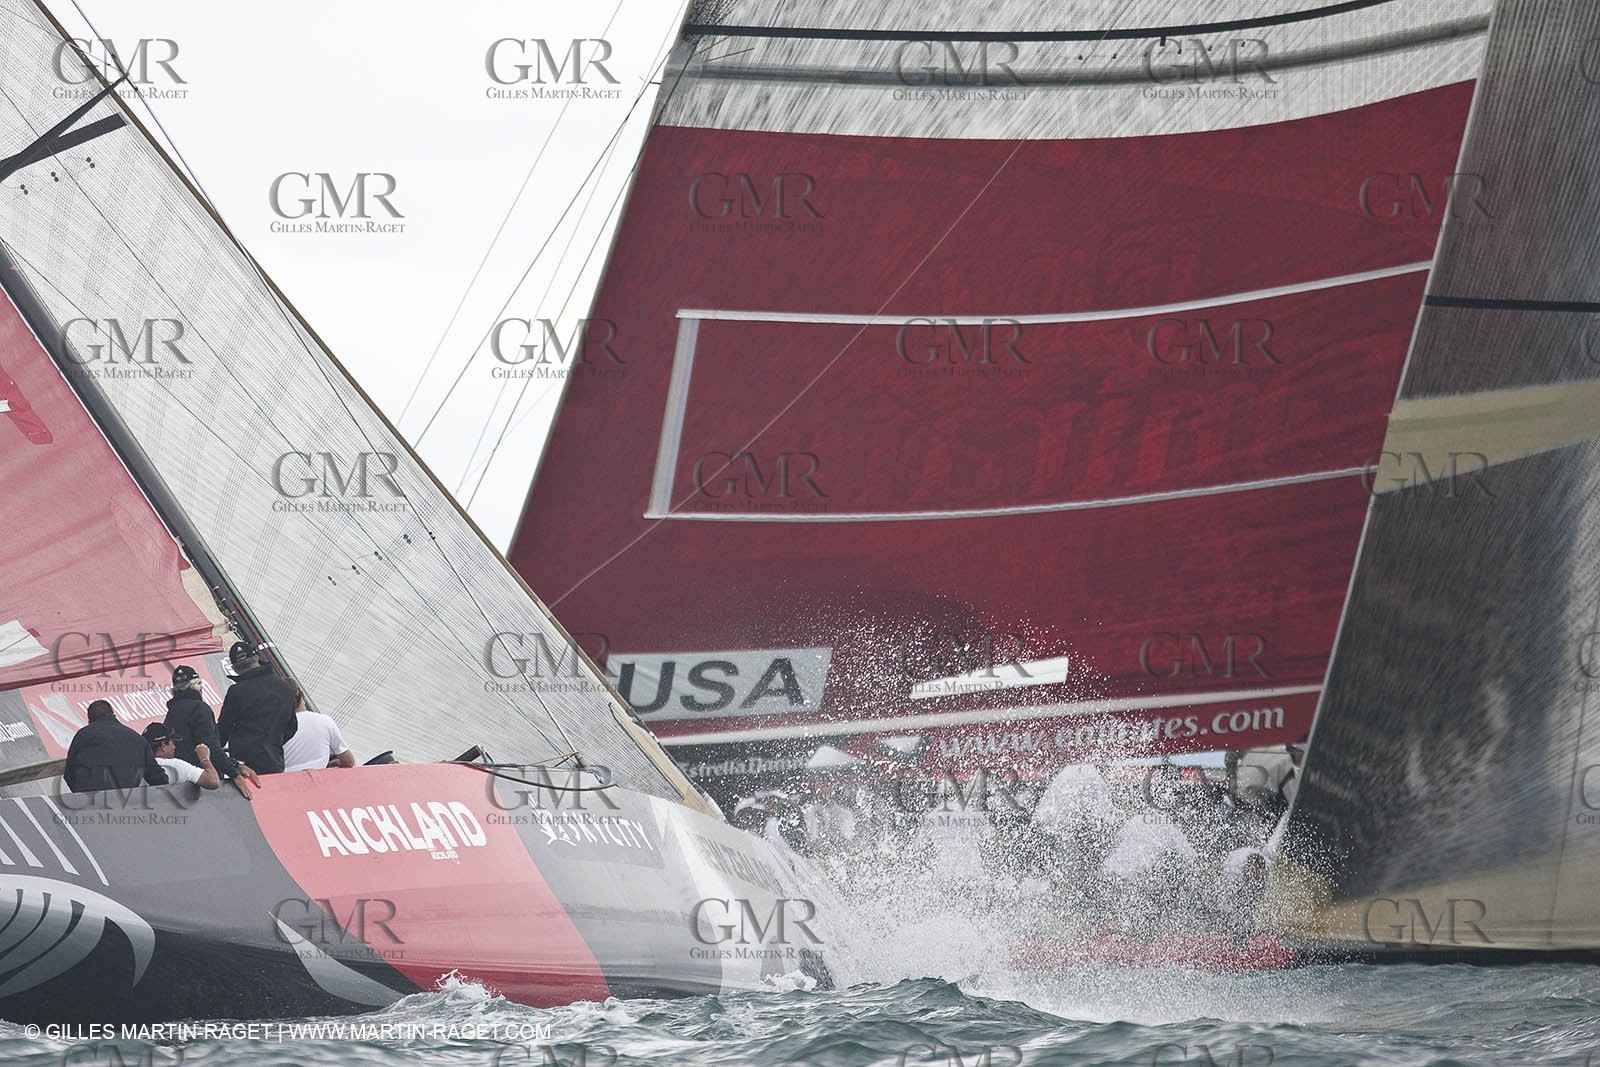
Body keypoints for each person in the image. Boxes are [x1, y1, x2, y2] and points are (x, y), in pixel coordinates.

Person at [165, 665, 258, 798]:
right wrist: (234, 772)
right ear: (198, 686)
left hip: (181, 783)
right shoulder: (199, 708)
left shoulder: (172, 713)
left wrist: (234, 764)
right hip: (204, 784)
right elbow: (209, 746)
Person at [218, 642, 298, 774]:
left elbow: (223, 731)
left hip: (245, 766)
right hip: (274, 762)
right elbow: (292, 727)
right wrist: (273, 742)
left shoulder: (237, 691)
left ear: (234, 668)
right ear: (257, 658)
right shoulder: (283, 686)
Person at [64, 700, 168, 792]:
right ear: (113, 715)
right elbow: (156, 777)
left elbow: (69, 774)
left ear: (89, 720)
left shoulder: (82, 736)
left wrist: (79, 794)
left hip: (88, 802)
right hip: (124, 802)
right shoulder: (136, 738)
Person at [281, 689, 355, 772]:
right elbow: (349, 761)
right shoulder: (325, 721)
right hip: (316, 780)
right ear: (302, 697)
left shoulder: (274, 726)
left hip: (282, 779)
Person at [142, 723, 220, 790]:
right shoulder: (174, 766)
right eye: (172, 742)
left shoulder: (135, 765)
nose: (174, 747)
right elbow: (213, 781)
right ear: (163, 746)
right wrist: (204, 758)